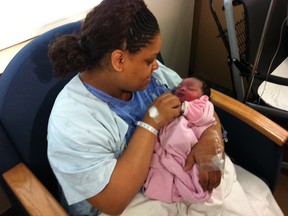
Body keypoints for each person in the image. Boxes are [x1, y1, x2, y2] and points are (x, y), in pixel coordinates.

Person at [47, 0, 284, 216]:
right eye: (149, 60)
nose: (156, 66)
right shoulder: (74, 120)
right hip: (127, 202)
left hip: (179, 174)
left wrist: (211, 138)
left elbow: (201, 107)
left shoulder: (152, 76)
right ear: (118, 60)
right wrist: (150, 122)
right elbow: (113, 201)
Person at [144, 76, 224, 205]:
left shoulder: (199, 107)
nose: (181, 88)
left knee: (199, 175)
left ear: (203, 98)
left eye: (190, 88)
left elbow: (206, 115)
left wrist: (211, 135)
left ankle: (193, 188)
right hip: (168, 150)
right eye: (179, 87)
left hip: (192, 146)